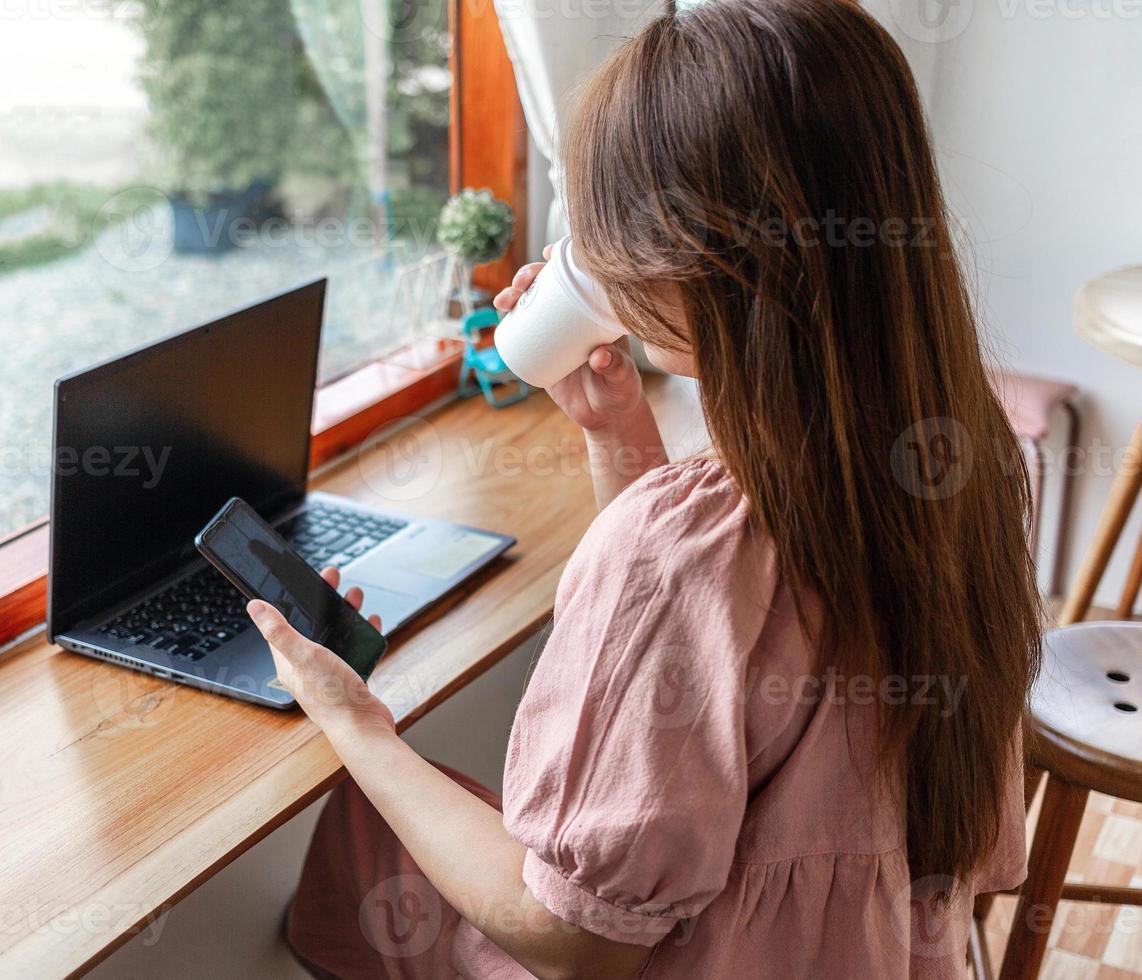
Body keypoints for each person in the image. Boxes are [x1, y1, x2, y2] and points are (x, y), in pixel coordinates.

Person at [246, 0, 1042, 976]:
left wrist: (355, 726)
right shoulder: (967, 465)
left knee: (366, 824)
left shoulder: (681, 545)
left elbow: (574, 939)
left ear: (694, 265)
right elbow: (731, 637)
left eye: (608, 223)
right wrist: (616, 433)